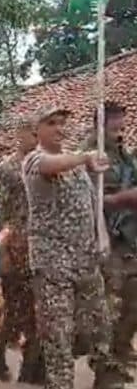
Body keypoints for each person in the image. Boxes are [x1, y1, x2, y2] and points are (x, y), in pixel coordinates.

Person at [22, 105, 124, 388]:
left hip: (86, 260)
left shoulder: (78, 168)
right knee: (58, 336)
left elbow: (92, 205)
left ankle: (106, 376)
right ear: (36, 130)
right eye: (51, 123)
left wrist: (101, 237)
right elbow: (49, 166)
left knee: (101, 326)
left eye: (62, 123)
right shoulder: (34, 160)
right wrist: (86, 157)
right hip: (53, 266)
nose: (59, 128)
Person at [0, 115, 45, 384]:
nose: (33, 137)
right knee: (16, 312)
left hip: (44, 248)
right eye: (29, 131)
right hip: (17, 249)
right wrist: (2, 253)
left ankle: (31, 371)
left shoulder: (47, 165)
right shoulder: (6, 169)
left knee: (41, 313)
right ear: (19, 134)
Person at [82, 101, 137, 373]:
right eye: (115, 121)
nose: (121, 127)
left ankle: (121, 349)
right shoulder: (91, 155)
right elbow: (85, 198)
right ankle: (105, 362)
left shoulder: (124, 156)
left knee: (133, 299)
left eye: (123, 122)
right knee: (110, 303)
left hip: (128, 237)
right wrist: (121, 198)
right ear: (100, 124)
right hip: (103, 237)